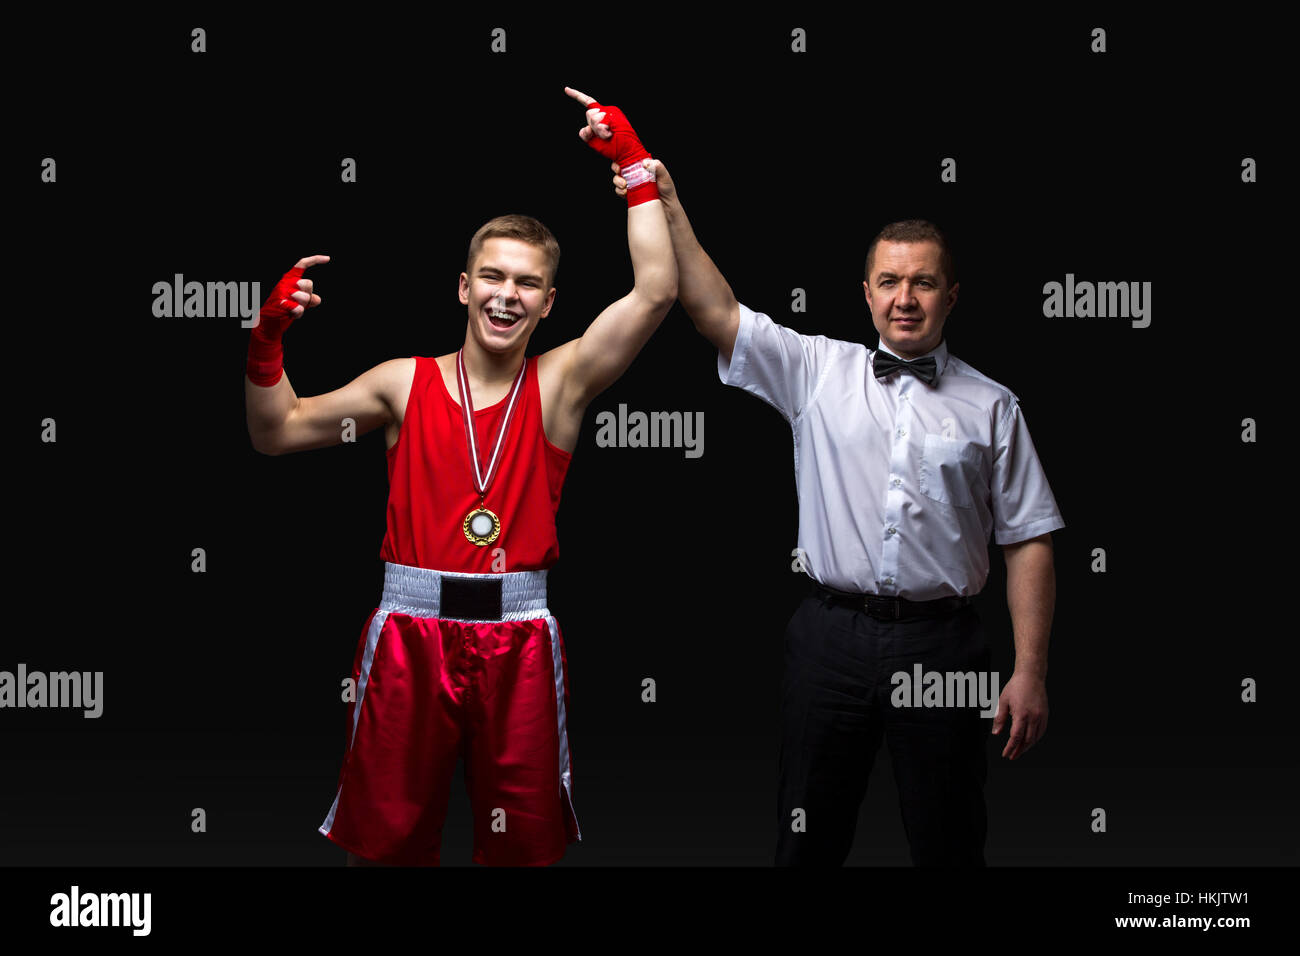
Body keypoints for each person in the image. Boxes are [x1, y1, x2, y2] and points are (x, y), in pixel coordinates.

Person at [244, 89, 675, 866]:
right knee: (387, 841)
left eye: (527, 284)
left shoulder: (563, 383)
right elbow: (275, 431)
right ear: (464, 287)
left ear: (548, 303)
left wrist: (634, 167)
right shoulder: (401, 384)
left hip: (520, 637)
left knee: (525, 848)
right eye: (493, 276)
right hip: (409, 632)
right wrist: (267, 339)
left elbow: (656, 292)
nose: (507, 295)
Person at [611, 163, 1063, 866]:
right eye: (889, 282)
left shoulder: (994, 405)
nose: (904, 299)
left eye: (922, 282)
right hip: (829, 641)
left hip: (944, 647)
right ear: (866, 293)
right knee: (806, 840)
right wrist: (665, 199)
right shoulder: (817, 370)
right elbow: (714, 310)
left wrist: (1030, 669)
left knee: (950, 843)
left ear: (952, 295)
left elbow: (1029, 540)